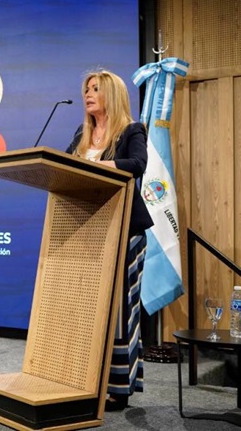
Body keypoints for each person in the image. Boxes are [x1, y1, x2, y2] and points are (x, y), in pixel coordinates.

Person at [64, 69, 154, 412]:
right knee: (91, 308)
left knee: (120, 310)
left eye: (95, 89)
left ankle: (119, 386)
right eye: (86, 89)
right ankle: (89, 379)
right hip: (92, 229)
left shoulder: (131, 130)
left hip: (126, 230)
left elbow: (137, 164)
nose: (88, 94)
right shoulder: (81, 134)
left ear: (111, 95)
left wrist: (100, 165)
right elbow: (64, 165)